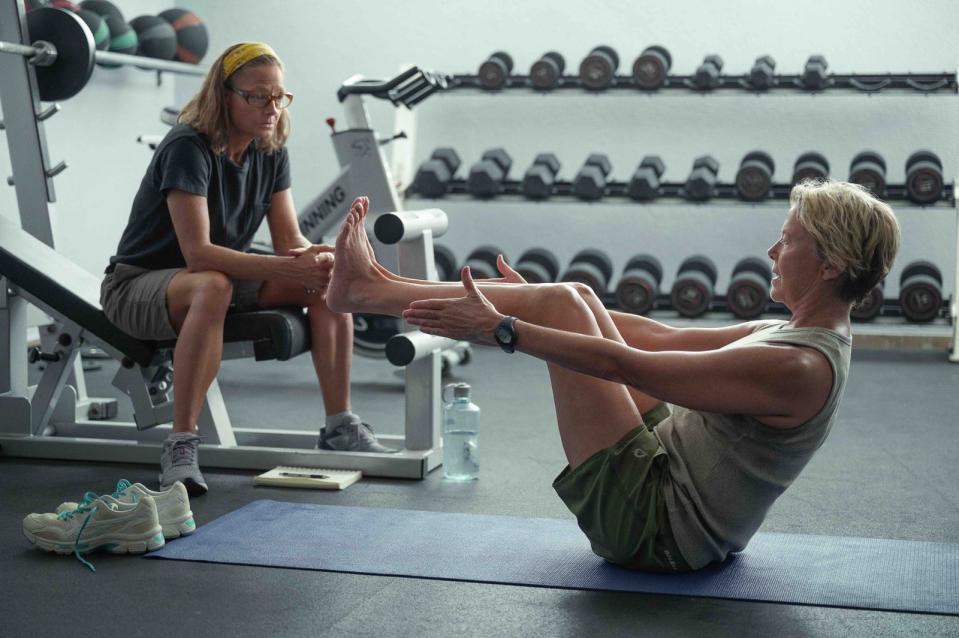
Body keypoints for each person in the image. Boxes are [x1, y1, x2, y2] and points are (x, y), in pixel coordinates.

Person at [327, 182, 900, 572]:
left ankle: (367, 292)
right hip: (669, 485)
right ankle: (371, 287)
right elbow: (660, 337)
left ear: (831, 266)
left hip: (656, 531)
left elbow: (632, 365)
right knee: (570, 296)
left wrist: (510, 327)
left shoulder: (797, 366)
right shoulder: (787, 333)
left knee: (559, 303)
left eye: (790, 239)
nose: (772, 249)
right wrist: (537, 305)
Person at [100, 42, 395, 498]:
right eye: (258, 96)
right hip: (138, 286)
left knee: (323, 281)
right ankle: (180, 445)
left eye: (279, 97)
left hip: (214, 281)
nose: (272, 108)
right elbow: (198, 254)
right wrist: (287, 267)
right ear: (225, 95)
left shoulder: (270, 148)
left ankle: (340, 425)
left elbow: (288, 241)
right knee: (212, 284)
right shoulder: (187, 146)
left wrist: (321, 255)